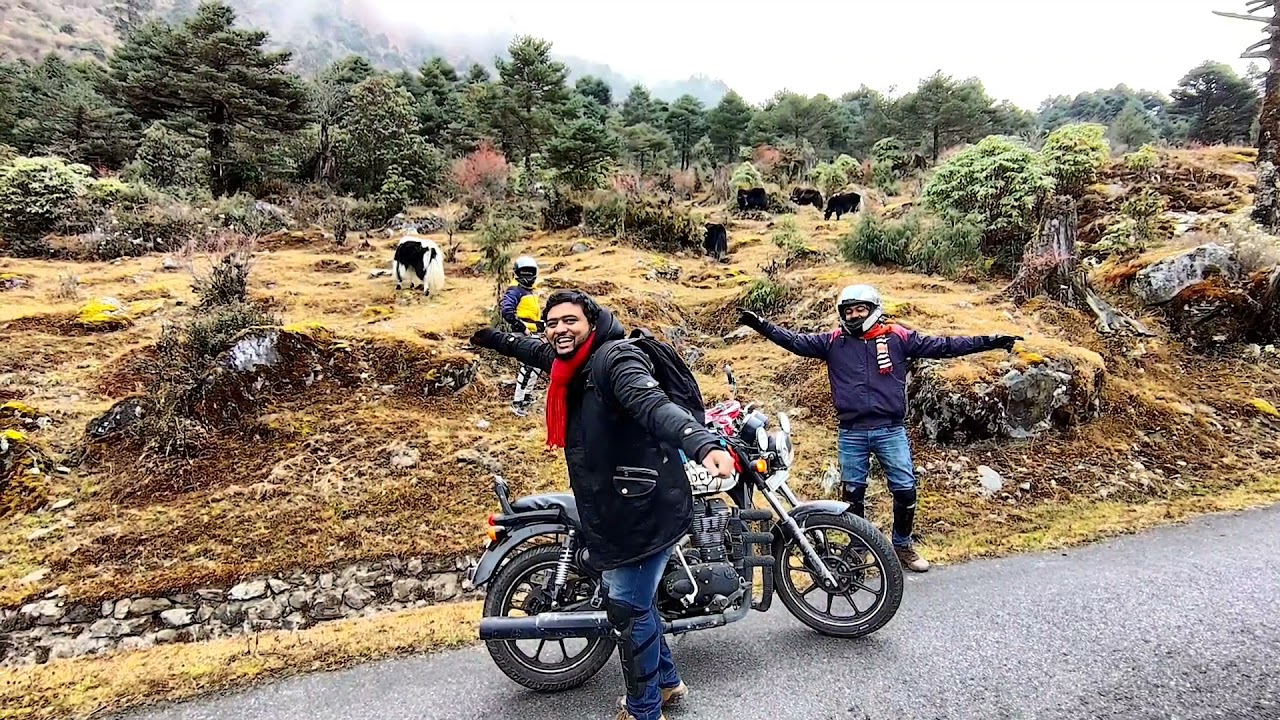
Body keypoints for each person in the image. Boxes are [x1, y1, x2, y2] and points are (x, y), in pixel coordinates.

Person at [471, 289, 735, 720]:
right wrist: (492, 338)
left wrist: (701, 441)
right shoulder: (570, 365)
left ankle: (643, 709)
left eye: (569, 321)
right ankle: (667, 684)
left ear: (591, 323)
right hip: (615, 507)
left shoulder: (615, 361)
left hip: (643, 510)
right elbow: (533, 349)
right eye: (551, 322)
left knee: (627, 613)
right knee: (639, 602)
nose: (559, 330)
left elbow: (655, 406)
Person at [737, 284, 1021, 573]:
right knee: (852, 495)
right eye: (849, 310)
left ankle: (902, 546)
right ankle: (858, 548)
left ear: (874, 309)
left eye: (860, 309)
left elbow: (946, 346)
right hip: (852, 432)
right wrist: (760, 325)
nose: (854, 315)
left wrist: (993, 341)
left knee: (905, 491)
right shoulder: (833, 341)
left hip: (890, 430)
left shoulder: (898, 336)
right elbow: (795, 341)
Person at [499, 255, 543, 416]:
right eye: (524, 272)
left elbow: (532, 314)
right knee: (528, 367)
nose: (527, 276)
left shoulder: (531, 291)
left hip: (533, 332)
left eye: (530, 272)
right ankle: (518, 402)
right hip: (522, 333)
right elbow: (507, 312)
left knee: (536, 366)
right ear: (517, 273)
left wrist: (541, 326)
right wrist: (522, 328)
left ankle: (526, 397)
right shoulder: (515, 290)